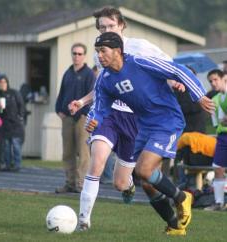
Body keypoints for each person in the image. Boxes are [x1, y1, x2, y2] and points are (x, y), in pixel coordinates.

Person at [86, 32, 214, 235]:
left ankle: (182, 197)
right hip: (143, 126)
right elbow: (101, 108)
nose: (99, 56)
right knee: (144, 183)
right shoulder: (104, 79)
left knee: (144, 170)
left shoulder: (140, 62)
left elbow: (178, 71)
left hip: (167, 121)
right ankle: (175, 225)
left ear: (118, 51)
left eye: (103, 51)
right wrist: (94, 121)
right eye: (97, 52)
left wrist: (198, 95)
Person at [69, 6, 184, 231]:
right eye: (101, 27)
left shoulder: (140, 47)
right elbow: (104, 88)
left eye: (110, 26)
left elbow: (168, 67)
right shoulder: (99, 52)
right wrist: (82, 102)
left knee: (126, 182)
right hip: (111, 116)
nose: (106, 30)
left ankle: (168, 212)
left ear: (121, 24)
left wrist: (174, 81)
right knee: (97, 161)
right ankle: (83, 220)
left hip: (138, 120)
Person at [55, 43, 95, 193]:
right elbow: (62, 94)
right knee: (67, 152)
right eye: (74, 53)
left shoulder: (89, 74)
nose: (76, 56)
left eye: (79, 54)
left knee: (83, 152)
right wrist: (58, 110)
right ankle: (70, 182)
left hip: (82, 118)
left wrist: (84, 113)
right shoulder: (68, 73)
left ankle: (81, 184)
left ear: (84, 56)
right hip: (67, 117)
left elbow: (93, 97)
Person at [204, 73, 227, 211]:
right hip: (222, 137)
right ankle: (219, 203)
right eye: (210, 81)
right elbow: (216, 123)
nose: (213, 83)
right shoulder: (215, 99)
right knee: (217, 167)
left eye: (216, 79)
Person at [0, 75, 25, 171]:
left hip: (15, 123)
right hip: (4, 124)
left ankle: (17, 165)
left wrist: (20, 117)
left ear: (7, 83)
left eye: (4, 82)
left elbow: (21, 105)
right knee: (6, 147)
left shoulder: (14, 93)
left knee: (16, 145)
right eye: (0, 82)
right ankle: (8, 165)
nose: (2, 84)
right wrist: (0, 109)